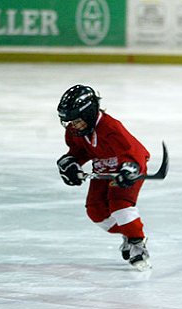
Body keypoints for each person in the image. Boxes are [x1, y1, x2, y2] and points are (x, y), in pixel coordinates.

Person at [55, 84, 151, 270]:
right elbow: (78, 151)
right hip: (103, 167)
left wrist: (130, 169)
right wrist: (71, 163)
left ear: (90, 112)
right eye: (70, 122)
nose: (72, 126)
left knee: (120, 205)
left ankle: (137, 244)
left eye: (76, 121)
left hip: (128, 167)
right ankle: (129, 231)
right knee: (96, 211)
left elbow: (134, 153)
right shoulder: (76, 130)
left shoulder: (111, 128)